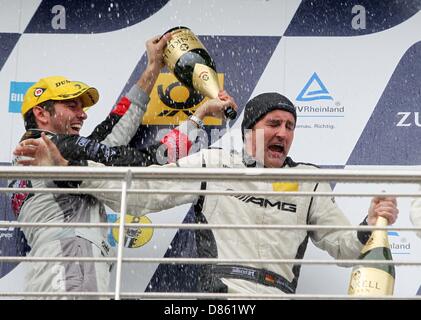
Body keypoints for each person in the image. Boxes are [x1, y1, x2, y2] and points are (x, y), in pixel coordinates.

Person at [15, 92, 398, 295]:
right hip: (222, 298)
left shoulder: (309, 181)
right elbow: (144, 191)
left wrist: (371, 225)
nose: (283, 133)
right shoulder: (216, 163)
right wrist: (68, 172)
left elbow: (346, 248)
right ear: (250, 131)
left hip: (278, 294)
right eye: (274, 123)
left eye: (291, 126)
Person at [10, 31, 236, 298]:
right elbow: (146, 159)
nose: (82, 114)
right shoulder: (53, 147)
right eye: (71, 106)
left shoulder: (42, 152)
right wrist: (198, 118)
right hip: (72, 266)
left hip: (53, 269)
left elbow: (111, 131)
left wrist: (153, 68)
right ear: (41, 113)